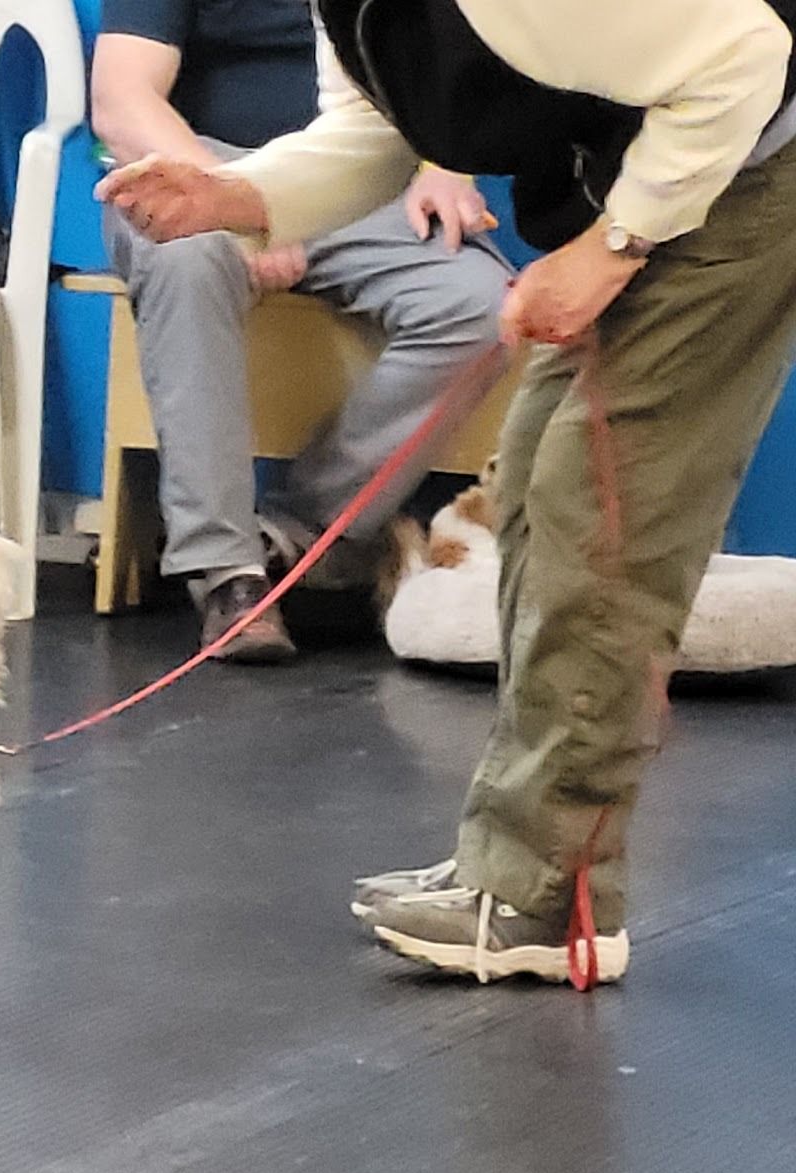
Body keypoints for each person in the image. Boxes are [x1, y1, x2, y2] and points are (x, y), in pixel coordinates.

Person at [99, 0, 796, 986]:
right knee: (531, 492)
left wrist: (611, 250)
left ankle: (552, 903)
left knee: (597, 517)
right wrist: (235, 195)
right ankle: (509, 862)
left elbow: (743, 58)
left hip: (746, 168)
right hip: (652, 165)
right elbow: (374, 132)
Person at [91, 0, 511, 663]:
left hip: (363, 176)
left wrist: (444, 166)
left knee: (480, 304)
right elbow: (121, 99)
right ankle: (227, 574)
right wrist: (231, 198)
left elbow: (437, 76)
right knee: (187, 254)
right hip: (202, 165)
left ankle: (295, 541)